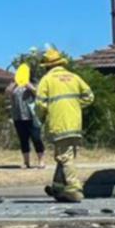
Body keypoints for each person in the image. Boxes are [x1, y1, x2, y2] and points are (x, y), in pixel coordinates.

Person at [35, 47, 94, 203]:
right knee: (66, 155)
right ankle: (58, 187)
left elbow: (40, 104)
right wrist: (74, 106)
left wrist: (41, 118)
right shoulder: (74, 77)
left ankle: (74, 188)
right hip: (75, 123)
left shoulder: (47, 80)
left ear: (47, 66)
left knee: (64, 157)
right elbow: (89, 96)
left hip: (59, 123)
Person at [5, 65, 45, 169]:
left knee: (36, 138)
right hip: (18, 116)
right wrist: (14, 83)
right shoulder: (15, 85)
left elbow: (39, 93)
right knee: (23, 139)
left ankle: (41, 160)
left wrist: (28, 84)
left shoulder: (33, 83)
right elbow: (7, 92)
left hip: (31, 116)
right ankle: (26, 162)